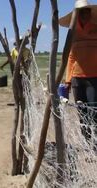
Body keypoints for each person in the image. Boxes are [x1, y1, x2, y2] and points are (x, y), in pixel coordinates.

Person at [59, 0, 97, 147]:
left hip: (94, 77)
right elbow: (70, 56)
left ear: (91, 13)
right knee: (81, 111)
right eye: (81, 12)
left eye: (87, 11)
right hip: (76, 79)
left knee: (93, 111)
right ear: (77, 15)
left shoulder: (96, 28)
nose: (84, 14)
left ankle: (94, 142)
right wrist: (68, 80)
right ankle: (86, 142)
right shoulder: (72, 32)